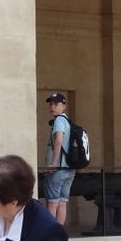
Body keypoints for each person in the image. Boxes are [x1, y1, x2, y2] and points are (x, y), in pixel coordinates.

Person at [43, 92, 74, 225]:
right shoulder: (68, 121)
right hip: (69, 168)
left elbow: (58, 141)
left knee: (52, 203)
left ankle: (50, 235)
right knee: (62, 202)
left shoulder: (59, 121)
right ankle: (59, 234)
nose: (52, 107)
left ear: (63, 106)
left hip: (58, 168)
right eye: (51, 104)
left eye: (56, 104)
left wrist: (53, 163)